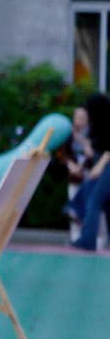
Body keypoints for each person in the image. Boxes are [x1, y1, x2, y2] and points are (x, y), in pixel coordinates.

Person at [71, 93, 110, 254]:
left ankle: (87, 240)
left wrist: (99, 167)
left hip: (107, 166)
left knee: (94, 199)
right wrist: (81, 140)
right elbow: (94, 151)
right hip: (104, 166)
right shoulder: (97, 127)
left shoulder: (107, 124)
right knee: (106, 204)